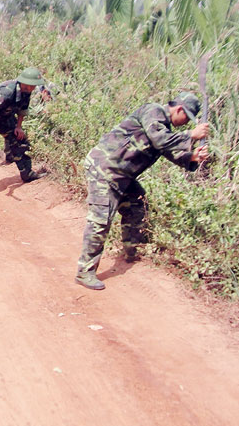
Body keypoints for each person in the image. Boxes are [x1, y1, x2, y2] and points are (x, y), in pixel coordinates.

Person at [75, 92, 209, 290]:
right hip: (104, 169)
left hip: (122, 175)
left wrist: (192, 158)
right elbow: (161, 140)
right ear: (179, 110)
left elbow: (172, 152)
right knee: (101, 219)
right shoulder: (153, 111)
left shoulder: (165, 128)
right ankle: (85, 272)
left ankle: (131, 250)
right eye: (186, 118)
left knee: (138, 204)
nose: (185, 123)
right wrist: (191, 135)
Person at [0, 67, 47, 199]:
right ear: (24, 82)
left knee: (19, 140)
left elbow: (22, 110)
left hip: (5, 117)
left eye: (35, 86)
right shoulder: (7, 91)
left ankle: (27, 174)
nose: (34, 88)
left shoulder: (27, 91)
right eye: (32, 85)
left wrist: (18, 127)